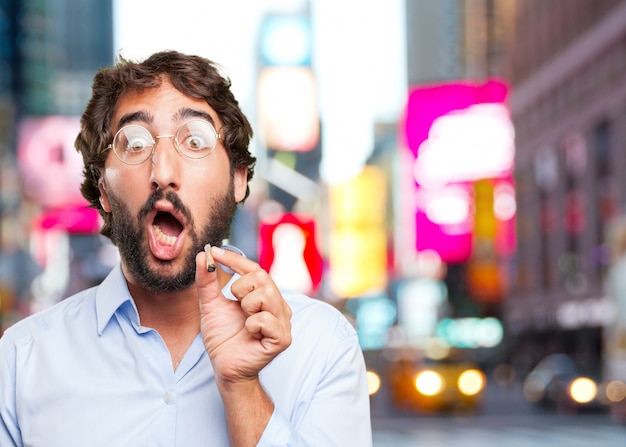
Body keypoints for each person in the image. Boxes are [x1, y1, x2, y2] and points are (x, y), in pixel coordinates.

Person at [0, 50, 372, 446]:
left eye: (195, 141)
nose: (162, 173)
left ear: (238, 180)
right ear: (104, 189)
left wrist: (242, 387)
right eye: (135, 143)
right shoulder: (24, 359)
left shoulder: (322, 343)